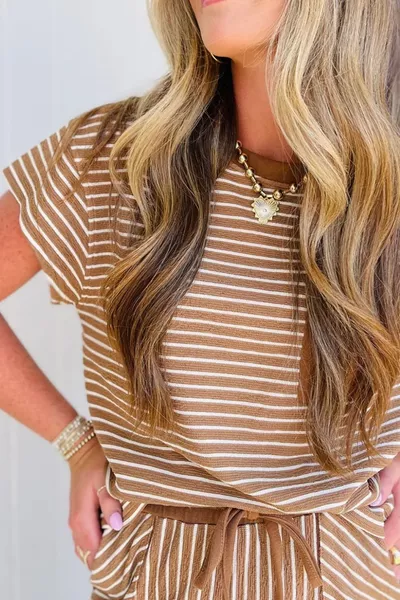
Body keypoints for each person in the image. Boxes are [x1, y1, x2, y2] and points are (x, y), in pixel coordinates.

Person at [1, 0, 400, 598]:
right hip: (158, 577)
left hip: (351, 576)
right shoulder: (114, 158)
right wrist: (73, 441)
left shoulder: (386, 173)